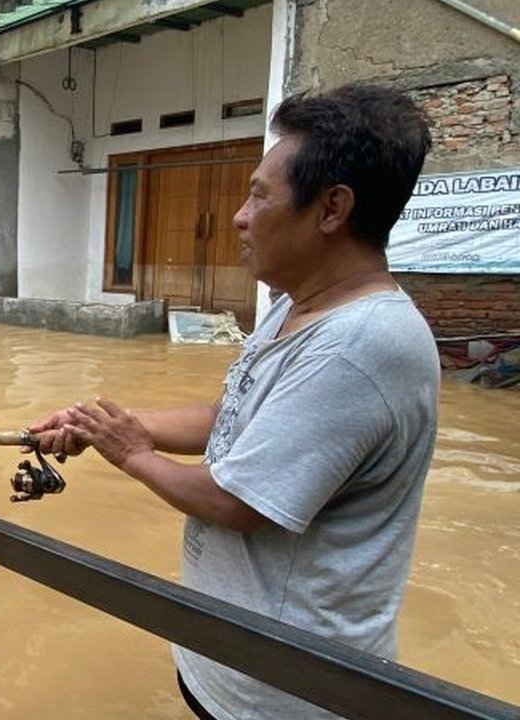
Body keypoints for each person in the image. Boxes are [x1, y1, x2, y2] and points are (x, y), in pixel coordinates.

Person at [29, 83, 439, 720]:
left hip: (287, 691)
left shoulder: (362, 346)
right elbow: (233, 416)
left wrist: (132, 454)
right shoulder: (293, 308)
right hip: (232, 657)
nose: (241, 216)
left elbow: (238, 502)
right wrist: (110, 426)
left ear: (331, 209)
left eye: (259, 194)